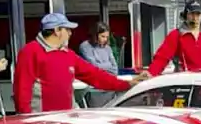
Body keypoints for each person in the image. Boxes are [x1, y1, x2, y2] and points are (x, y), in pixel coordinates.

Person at [13, 13, 141, 114]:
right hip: (42, 121)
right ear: (57, 30)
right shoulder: (30, 51)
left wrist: (126, 84)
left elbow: (94, 75)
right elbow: (22, 90)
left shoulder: (68, 54)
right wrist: (26, 120)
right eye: (67, 29)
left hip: (67, 118)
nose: (70, 33)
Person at [147, 0, 201, 75]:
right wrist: (150, 74)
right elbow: (161, 58)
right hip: (186, 84)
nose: (195, 18)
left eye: (198, 14)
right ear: (185, 15)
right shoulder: (175, 35)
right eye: (191, 14)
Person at [77, 22, 121, 108]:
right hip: (93, 90)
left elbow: (115, 69)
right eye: (103, 36)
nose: (105, 39)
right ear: (95, 35)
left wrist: (101, 66)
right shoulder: (85, 46)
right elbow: (94, 66)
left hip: (109, 88)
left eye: (107, 37)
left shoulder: (107, 48)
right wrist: (108, 65)